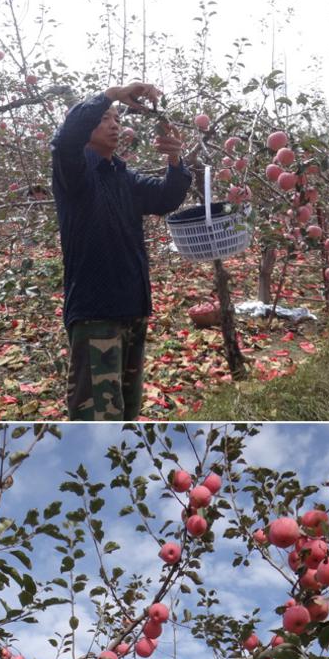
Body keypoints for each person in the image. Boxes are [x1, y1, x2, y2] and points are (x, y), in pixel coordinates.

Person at [51, 82, 191, 421]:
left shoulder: (122, 176)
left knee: (126, 414)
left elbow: (165, 199)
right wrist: (111, 93)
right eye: (103, 118)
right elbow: (65, 141)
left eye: (116, 119)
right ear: (85, 127)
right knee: (96, 417)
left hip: (132, 311)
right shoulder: (75, 173)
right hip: (96, 315)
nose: (114, 124)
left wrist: (175, 160)